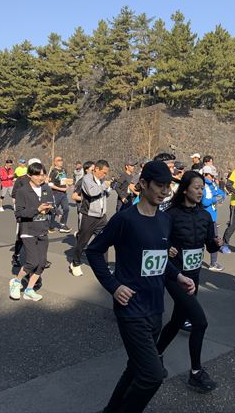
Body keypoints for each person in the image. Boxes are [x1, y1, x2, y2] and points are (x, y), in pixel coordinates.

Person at [86, 160, 196, 412]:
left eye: (168, 186)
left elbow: (160, 259)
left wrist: (178, 276)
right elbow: (94, 251)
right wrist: (114, 286)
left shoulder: (164, 220)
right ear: (143, 184)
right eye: (160, 185)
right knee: (152, 376)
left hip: (155, 308)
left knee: (136, 368)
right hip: (131, 309)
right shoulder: (125, 219)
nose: (165, 191)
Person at [156, 171, 221, 393]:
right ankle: (196, 373)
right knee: (200, 322)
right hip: (175, 275)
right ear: (185, 190)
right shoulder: (170, 215)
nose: (200, 191)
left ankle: (156, 354)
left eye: (202, 188)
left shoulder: (205, 216)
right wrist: (167, 247)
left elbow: (210, 246)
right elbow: (158, 240)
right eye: (196, 188)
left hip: (193, 276)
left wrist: (216, 243)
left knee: (177, 320)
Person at [9, 162, 54, 302]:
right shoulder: (22, 191)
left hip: (42, 229)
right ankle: (16, 282)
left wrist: (50, 209)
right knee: (32, 262)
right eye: (38, 175)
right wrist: (37, 209)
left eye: (43, 175)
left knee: (41, 263)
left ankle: (29, 289)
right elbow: (19, 213)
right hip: (28, 230)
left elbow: (50, 205)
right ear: (30, 175)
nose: (41, 177)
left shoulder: (46, 189)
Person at [69, 159, 111, 277]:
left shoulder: (101, 180)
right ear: (96, 169)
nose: (104, 175)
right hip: (89, 216)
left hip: (101, 216)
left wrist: (107, 189)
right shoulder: (86, 179)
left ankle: (104, 265)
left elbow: (105, 193)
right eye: (103, 172)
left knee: (105, 240)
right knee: (82, 241)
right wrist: (104, 187)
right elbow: (92, 192)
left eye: (106, 173)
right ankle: (75, 263)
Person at [200, 165, 225, 271]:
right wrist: (215, 199)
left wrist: (221, 196)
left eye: (214, 176)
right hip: (204, 218)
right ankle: (210, 263)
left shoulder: (213, 183)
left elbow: (220, 192)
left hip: (212, 218)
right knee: (203, 241)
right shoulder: (203, 185)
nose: (213, 177)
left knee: (213, 240)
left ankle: (213, 263)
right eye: (211, 175)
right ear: (205, 174)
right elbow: (204, 202)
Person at [47, 156, 71, 233]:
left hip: (64, 194)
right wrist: (61, 189)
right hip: (55, 193)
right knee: (54, 211)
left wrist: (67, 185)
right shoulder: (53, 172)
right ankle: (50, 226)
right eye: (58, 160)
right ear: (55, 162)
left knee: (66, 209)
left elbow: (64, 180)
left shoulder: (64, 170)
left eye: (61, 160)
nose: (61, 161)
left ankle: (63, 225)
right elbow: (50, 184)